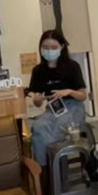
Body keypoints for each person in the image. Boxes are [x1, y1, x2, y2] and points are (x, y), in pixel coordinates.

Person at [28, 29, 88, 168]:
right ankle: (44, 169)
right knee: (38, 127)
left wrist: (69, 91)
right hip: (52, 109)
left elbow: (83, 96)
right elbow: (37, 103)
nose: (49, 50)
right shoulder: (38, 71)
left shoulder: (72, 67)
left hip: (73, 107)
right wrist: (37, 98)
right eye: (45, 47)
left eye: (53, 47)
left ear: (62, 47)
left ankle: (56, 169)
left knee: (57, 129)